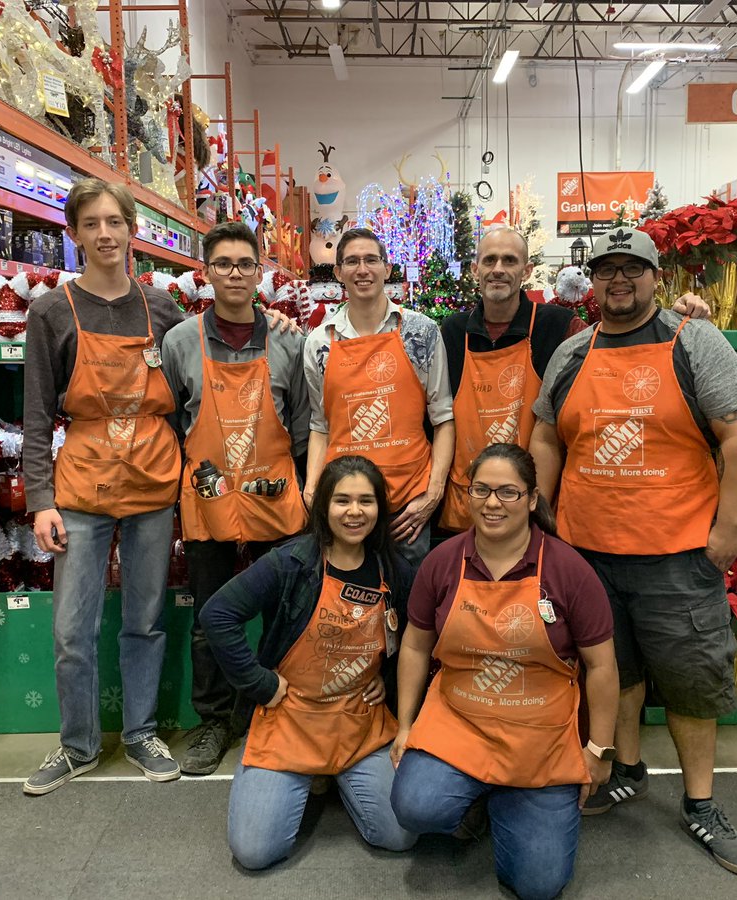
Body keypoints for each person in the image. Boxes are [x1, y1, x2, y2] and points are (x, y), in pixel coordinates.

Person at [529, 227, 737, 876]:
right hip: (588, 558)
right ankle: (626, 769)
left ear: (657, 278)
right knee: (618, 673)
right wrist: (544, 510)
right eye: (607, 270)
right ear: (592, 281)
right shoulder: (575, 352)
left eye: (633, 269)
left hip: (677, 555)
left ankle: (701, 803)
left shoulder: (695, 343)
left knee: (690, 682)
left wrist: (728, 527)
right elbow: (546, 434)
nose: (619, 280)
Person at [390, 443, 617, 900]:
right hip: (461, 721)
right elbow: (415, 645)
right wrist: (405, 725)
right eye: (482, 490)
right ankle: (479, 800)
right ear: (468, 495)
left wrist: (598, 749)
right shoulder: (442, 562)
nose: (493, 503)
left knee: (538, 886)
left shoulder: (568, 570)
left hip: (540, 737)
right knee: (414, 806)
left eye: (509, 492)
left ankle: (503, 802)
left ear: (533, 499)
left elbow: (602, 666)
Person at [21, 177, 184, 794]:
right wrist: (40, 502)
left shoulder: (163, 310)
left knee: (145, 617)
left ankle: (140, 732)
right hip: (82, 487)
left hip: (152, 483)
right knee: (72, 627)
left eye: (115, 221)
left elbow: (188, 400)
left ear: (131, 229)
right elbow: (37, 415)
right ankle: (78, 745)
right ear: (74, 233)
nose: (105, 234)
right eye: (91, 223)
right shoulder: (51, 311)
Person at [200, 456, 417, 869]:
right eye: (342, 501)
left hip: (358, 721)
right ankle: (310, 775)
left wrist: (387, 678)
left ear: (380, 508)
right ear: (324, 508)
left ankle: (333, 778)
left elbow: (413, 639)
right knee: (255, 852)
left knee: (400, 835)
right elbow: (217, 615)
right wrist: (259, 684)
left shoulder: (394, 569)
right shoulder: (291, 563)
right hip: (290, 718)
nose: (355, 512)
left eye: (366, 501)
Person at [438, 226, 710, 531]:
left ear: (527, 270)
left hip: (535, 511)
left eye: (509, 261)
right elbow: (436, 418)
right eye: (489, 261)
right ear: (476, 269)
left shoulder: (562, 327)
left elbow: (618, 353)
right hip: (466, 507)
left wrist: (670, 318)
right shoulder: (450, 332)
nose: (498, 270)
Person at [161, 221, 310, 777]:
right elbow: (174, 421)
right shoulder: (179, 342)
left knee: (284, 611)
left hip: (276, 499)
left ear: (260, 271)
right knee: (209, 618)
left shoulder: (288, 339)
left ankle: (277, 710)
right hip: (208, 500)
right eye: (223, 264)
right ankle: (215, 721)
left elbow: (301, 424)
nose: (235, 274)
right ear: (205, 273)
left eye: (245, 264)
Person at [302, 227, 455, 573]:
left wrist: (432, 493)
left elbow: (443, 418)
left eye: (371, 260)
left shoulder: (421, 331)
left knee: (411, 610)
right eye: (352, 261)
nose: (362, 269)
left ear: (387, 268)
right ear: (338, 272)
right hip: (345, 505)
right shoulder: (318, 343)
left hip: (408, 506)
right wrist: (312, 491)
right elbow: (319, 425)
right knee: (349, 604)